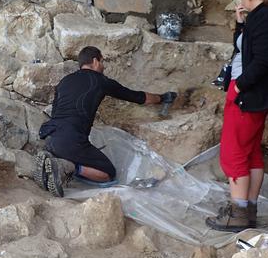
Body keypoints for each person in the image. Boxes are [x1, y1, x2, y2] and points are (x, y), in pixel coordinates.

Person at [206, 0, 268, 232]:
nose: (239, 2)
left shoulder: (265, 18)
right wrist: (240, 24)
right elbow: (246, 48)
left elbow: (263, 60)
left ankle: (238, 214)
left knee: (234, 153)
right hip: (252, 93)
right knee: (251, 151)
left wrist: (240, 86)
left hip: (249, 94)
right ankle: (248, 208)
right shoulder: (261, 16)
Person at [36, 45, 176, 195]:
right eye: (102, 62)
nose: (104, 67)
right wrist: (161, 98)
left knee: (74, 150)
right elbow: (137, 96)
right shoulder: (100, 81)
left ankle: (55, 160)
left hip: (51, 137)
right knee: (108, 174)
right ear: (95, 61)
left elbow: (56, 112)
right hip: (71, 140)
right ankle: (67, 167)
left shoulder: (64, 81)